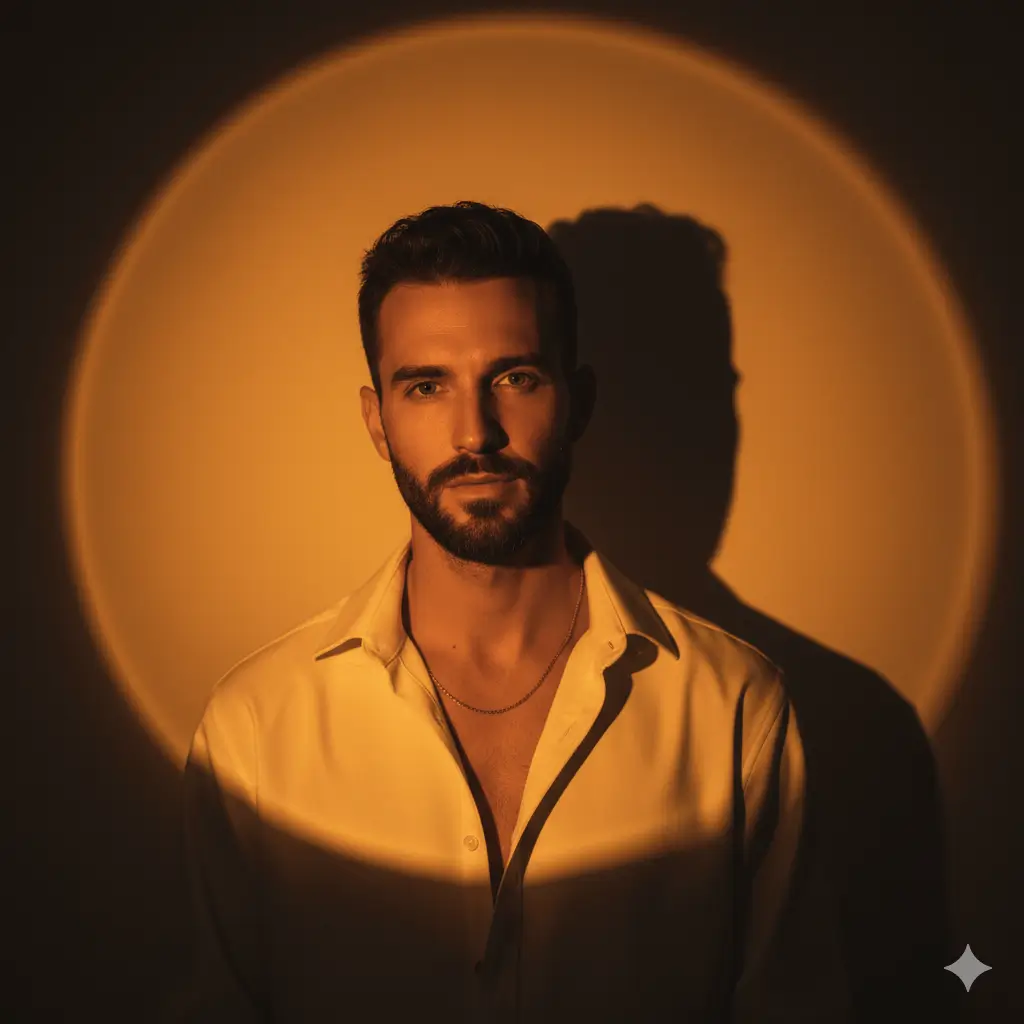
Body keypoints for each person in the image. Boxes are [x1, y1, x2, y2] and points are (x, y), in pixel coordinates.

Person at [165, 201, 851, 1021]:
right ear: (377, 422)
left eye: (514, 378)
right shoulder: (255, 728)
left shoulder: (733, 706)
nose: (475, 432)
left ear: (579, 401)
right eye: (426, 386)